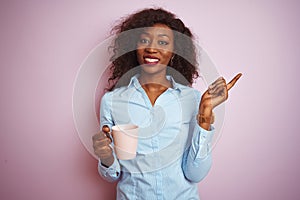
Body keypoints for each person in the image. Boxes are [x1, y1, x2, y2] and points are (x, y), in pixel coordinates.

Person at [92, 8, 242, 199]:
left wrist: (205, 113)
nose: (152, 48)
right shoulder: (113, 101)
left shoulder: (192, 99)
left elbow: (195, 174)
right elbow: (113, 174)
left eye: (162, 42)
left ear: (173, 52)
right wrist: (106, 157)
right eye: (144, 40)